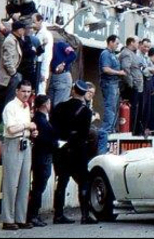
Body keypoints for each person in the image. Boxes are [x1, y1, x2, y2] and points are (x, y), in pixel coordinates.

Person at [51, 80, 98, 225]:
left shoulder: (59, 107)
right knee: (83, 182)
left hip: (62, 148)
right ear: (84, 93)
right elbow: (84, 134)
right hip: (78, 150)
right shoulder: (87, 112)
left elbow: (53, 128)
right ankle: (85, 215)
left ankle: (58, 214)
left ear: (73, 91)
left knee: (61, 183)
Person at [1, 80, 38, 230]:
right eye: (23, 91)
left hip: (25, 142)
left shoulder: (26, 106)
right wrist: (26, 126)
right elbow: (11, 129)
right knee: (11, 183)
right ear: (17, 91)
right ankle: (8, 219)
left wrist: (31, 131)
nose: (26, 94)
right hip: (13, 143)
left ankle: (20, 217)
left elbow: (25, 127)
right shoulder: (11, 107)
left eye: (28, 92)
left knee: (24, 183)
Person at [27, 95, 57, 227]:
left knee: (39, 186)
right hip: (42, 156)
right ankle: (33, 214)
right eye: (49, 103)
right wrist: (56, 144)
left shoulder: (41, 119)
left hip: (42, 155)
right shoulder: (41, 120)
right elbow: (46, 139)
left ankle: (34, 214)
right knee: (39, 186)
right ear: (45, 105)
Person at [98, 35, 126, 155]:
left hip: (114, 83)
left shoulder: (113, 54)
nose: (117, 45)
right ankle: (106, 132)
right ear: (110, 42)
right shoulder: (105, 54)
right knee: (110, 109)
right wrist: (119, 72)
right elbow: (105, 69)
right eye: (116, 43)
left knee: (114, 109)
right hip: (109, 83)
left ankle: (111, 130)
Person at [0, 20, 25, 108]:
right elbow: (7, 60)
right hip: (8, 76)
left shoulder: (15, 39)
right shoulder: (10, 41)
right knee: (9, 98)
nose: (24, 31)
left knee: (9, 97)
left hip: (10, 75)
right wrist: (14, 74)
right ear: (18, 30)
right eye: (22, 29)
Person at [119, 36, 144, 135]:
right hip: (131, 88)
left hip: (136, 86)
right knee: (131, 110)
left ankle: (133, 130)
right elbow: (126, 69)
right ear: (131, 42)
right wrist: (131, 84)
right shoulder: (126, 53)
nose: (139, 44)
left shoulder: (133, 54)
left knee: (135, 110)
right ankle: (129, 131)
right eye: (138, 42)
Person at [47, 41, 77, 107]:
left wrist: (63, 63)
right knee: (49, 104)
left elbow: (73, 54)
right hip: (53, 77)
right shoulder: (46, 48)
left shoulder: (60, 44)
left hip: (63, 77)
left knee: (59, 105)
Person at [32, 13, 53, 95]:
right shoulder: (34, 33)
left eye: (34, 22)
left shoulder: (46, 34)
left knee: (40, 92)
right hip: (34, 66)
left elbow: (47, 55)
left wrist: (43, 73)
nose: (32, 24)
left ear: (40, 21)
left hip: (41, 67)